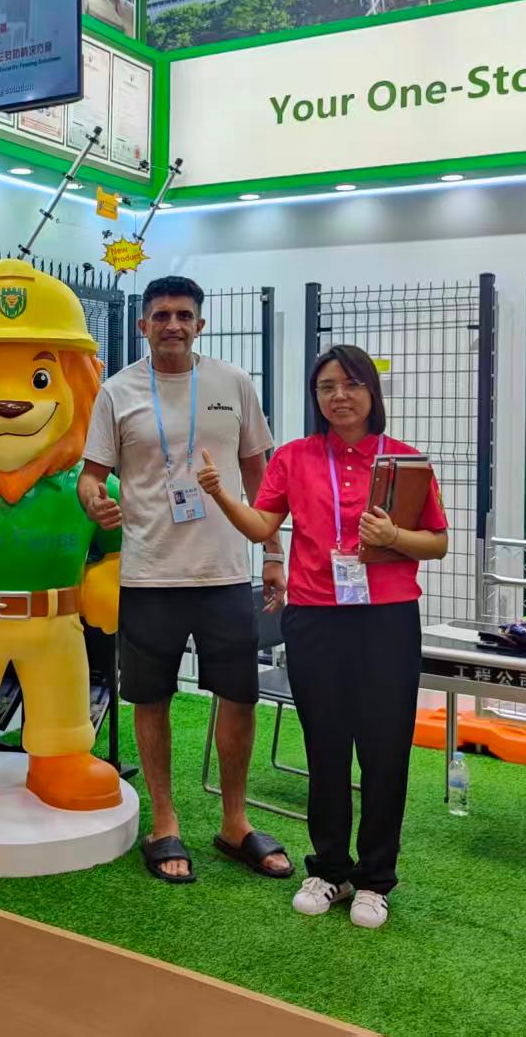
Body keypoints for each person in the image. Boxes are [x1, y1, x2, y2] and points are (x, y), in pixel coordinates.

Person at [201, 343, 448, 930]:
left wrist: (393, 536)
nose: (339, 396)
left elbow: (436, 542)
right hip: (313, 617)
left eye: (351, 384)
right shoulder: (293, 457)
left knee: (385, 750)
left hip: (386, 618)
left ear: (372, 392)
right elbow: (265, 525)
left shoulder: (405, 461)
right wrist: (219, 494)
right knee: (326, 746)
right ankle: (330, 869)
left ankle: (376, 879)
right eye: (326, 387)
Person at [79, 275, 291, 885]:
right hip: (149, 575)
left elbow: (262, 482)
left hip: (226, 573)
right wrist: (94, 501)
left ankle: (233, 822)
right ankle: (165, 821)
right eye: (161, 315)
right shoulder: (117, 392)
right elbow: (90, 477)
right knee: (152, 699)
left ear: (201, 323)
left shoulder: (233, 385)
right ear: (143, 325)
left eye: (184, 315)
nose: (173, 324)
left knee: (240, 696)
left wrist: (272, 551)